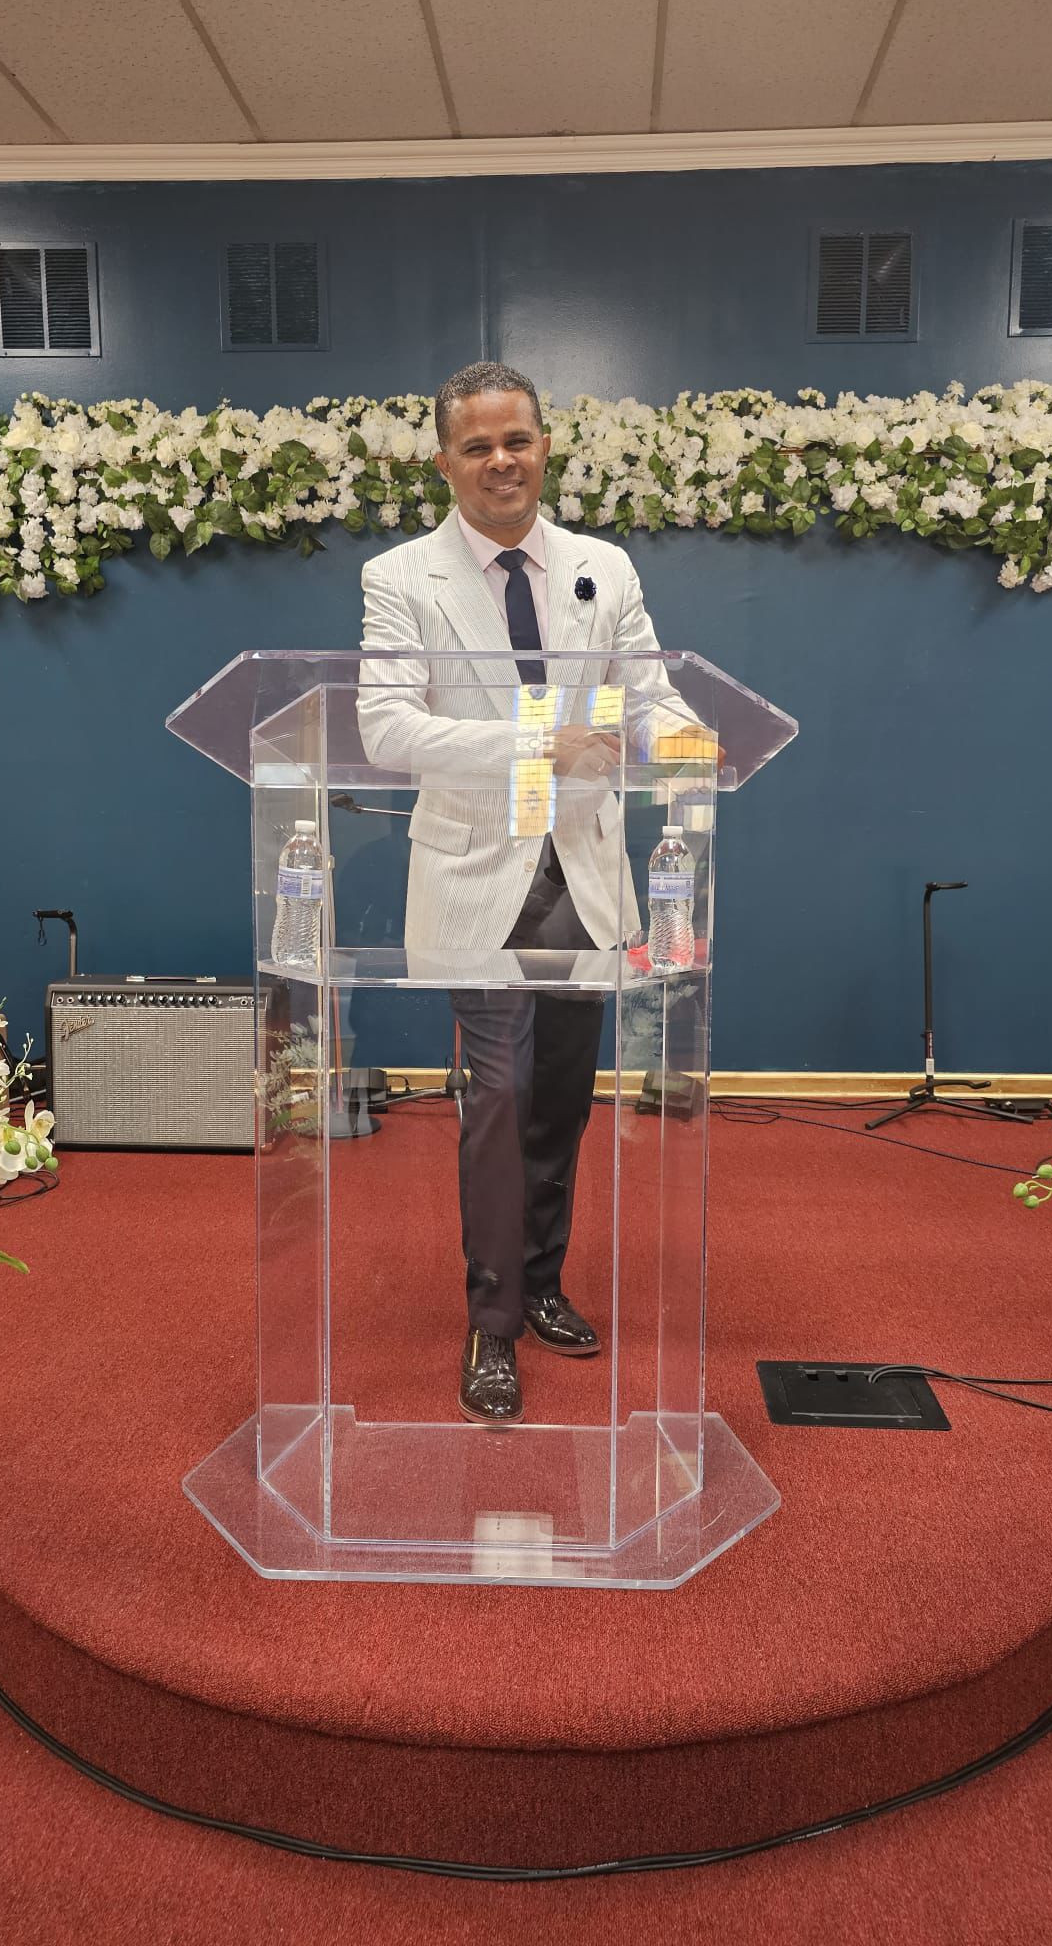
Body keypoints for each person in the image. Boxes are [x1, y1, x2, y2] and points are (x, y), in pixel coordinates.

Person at [357, 361, 683, 1427]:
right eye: (479, 446)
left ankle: (542, 1279)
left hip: (581, 873)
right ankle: (491, 1319)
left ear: (545, 446)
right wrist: (539, 742)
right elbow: (387, 729)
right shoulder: (401, 578)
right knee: (495, 1097)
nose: (502, 461)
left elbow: (647, 696)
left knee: (560, 1100)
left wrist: (692, 742)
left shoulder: (603, 567)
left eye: (518, 440)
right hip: (474, 875)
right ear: (445, 462)